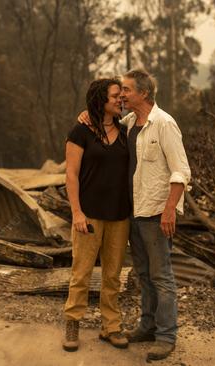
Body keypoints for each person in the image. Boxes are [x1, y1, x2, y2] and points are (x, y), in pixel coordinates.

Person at [80, 70, 191, 361]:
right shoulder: (128, 123)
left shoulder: (164, 124)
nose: (122, 96)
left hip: (156, 213)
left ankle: (166, 336)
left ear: (143, 93)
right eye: (119, 93)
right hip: (134, 212)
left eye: (126, 90)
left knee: (162, 277)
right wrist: (86, 113)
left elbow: (181, 170)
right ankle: (147, 326)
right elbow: (102, 120)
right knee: (144, 275)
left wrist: (170, 210)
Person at [62, 78, 132, 352]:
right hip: (89, 216)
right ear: (101, 100)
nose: (120, 100)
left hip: (120, 215)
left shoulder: (126, 130)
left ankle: (110, 327)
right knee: (81, 274)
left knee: (113, 276)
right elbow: (71, 175)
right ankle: (72, 323)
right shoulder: (80, 132)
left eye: (121, 96)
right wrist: (77, 212)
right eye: (115, 96)